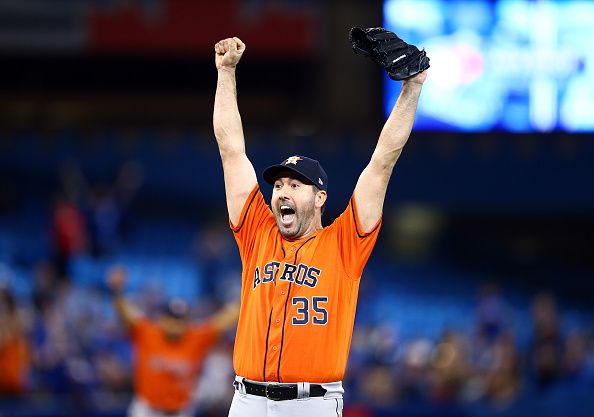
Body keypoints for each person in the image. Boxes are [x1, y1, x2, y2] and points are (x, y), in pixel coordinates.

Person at [213, 36, 428, 416]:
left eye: (295, 185)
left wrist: (413, 87)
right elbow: (231, 149)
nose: (282, 191)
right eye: (278, 184)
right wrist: (226, 72)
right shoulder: (256, 233)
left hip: (311, 403)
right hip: (245, 401)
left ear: (320, 198)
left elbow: (382, 161)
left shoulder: (345, 243)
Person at [106, 266, 239, 417]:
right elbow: (126, 314)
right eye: (172, 319)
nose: (176, 326)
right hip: (147, 410)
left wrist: (248, 295)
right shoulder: (147, 332)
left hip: (180, 411)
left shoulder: (196, 337)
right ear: (162, 319)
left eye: (180, 320)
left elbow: (223, 320)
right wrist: (116, 292)